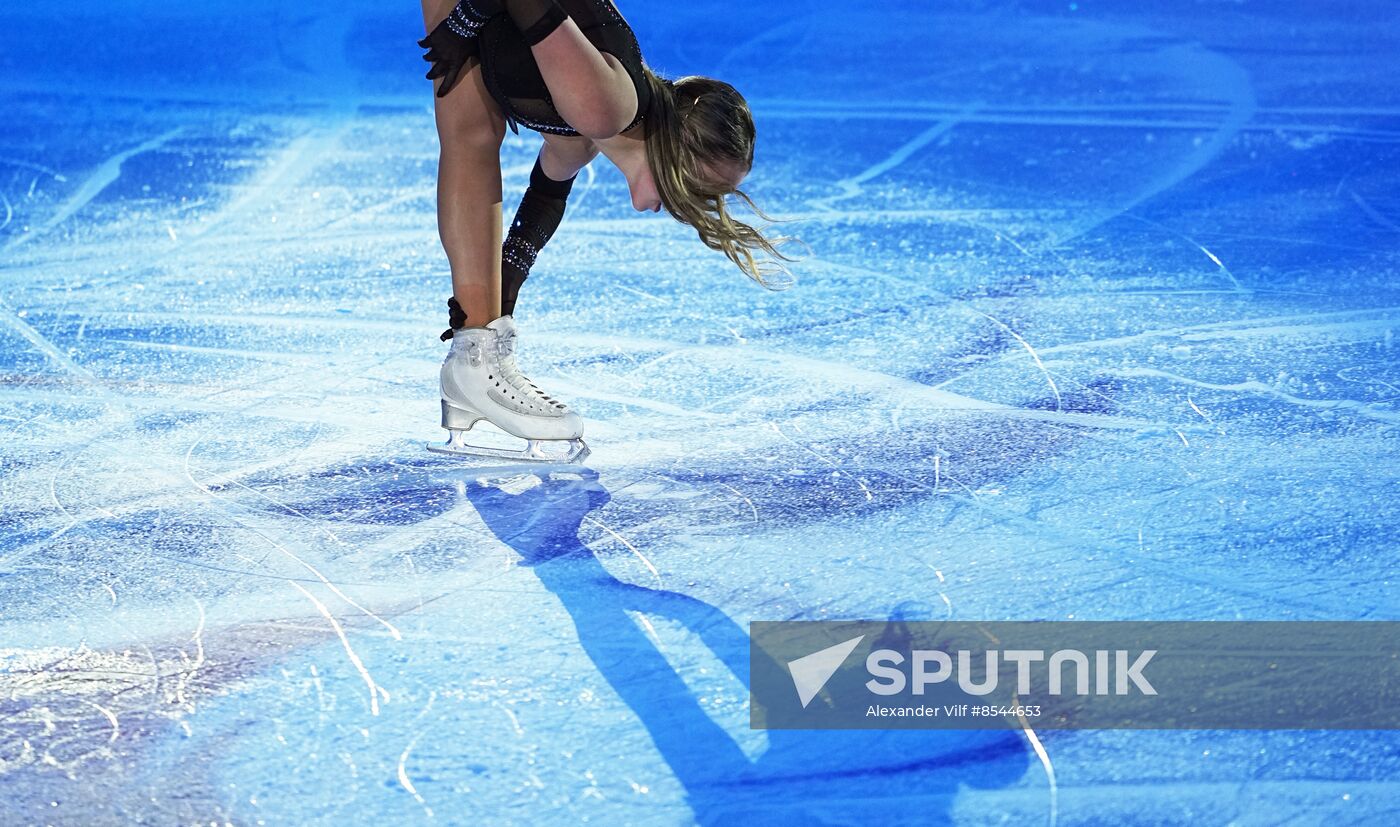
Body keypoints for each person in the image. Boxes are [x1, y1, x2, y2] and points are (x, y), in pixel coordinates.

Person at [418, 0, 789, 462]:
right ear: (679, 148)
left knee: (470, 134)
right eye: (699, 190)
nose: (690, 210)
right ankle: (475, 367)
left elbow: (543, 201)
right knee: (469, 132)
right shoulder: (606, 110)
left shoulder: (583, 139)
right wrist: (467, 20)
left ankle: (474, 362)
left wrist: (498, 309)